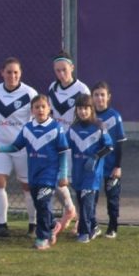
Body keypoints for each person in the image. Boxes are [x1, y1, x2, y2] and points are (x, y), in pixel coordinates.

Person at [0, 94, 70, 250]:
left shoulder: (56, 128)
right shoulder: (27, 128)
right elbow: (16, 146)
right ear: (32, 110)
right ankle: (52, 225)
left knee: (43, 203)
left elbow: (63, 152)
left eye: (43, 106)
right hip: (34, 175)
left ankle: (42, 238)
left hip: (49, 174)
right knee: (40, 205)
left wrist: (63, 174)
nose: (40, 110)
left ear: (49, 109)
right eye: (37, 107)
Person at [0, 57, 37, 238]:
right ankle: (1, 225)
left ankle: (33, 225)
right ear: (2, 72)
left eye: (16, 72)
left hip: (23, 148)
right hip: (0, 147)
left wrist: (32, 143)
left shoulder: (29, 93)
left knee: (28, 186)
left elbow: (36, 120)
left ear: (20, 73)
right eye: (8, 72)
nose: (12, 76)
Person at [47, 51, 89, 234]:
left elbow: (87, 116)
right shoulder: (52, 88)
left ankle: (82, 220)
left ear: (72, 67)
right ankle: (70, 210)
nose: (61, 74)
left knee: (77, 182)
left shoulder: (82, 90)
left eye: (64, 69)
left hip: (76, 142)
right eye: (57, 70)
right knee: (57, 180)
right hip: (57, 142)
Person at [68, 94, 114, 244]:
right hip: (78, 172)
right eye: (80, 108)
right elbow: (65, 146)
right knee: (83, 203)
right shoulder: (73, 128)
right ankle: (94, 226)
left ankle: (84, 232)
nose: (83, 112)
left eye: (86, 108)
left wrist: (95, 157)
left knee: (87, 202)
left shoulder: (99, 126)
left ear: (91, 109)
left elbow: (109, 146)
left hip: (92, 173)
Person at [92, 82, 126, 238]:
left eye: (102, 95)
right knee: (90, 196)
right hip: (93, 165)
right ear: (92, 98)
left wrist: (118, 166)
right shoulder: (89, 116)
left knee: (112, 197)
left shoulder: (114, 117)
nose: (99, 98)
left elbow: (119, 143)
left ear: (108, 97)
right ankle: (92, 225)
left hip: (110, 165)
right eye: (96, 95)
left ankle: (113, 227)